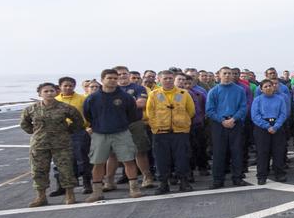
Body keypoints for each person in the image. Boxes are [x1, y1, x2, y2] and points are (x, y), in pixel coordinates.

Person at [19, 83, 86, 207]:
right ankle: (41, 196)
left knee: (66, 169)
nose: (49, 93)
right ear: (40, 94)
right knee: (38, 170)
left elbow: (78, 121)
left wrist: (67, 131)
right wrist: (36, 133)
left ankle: (70, 194)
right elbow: (24, 124)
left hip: (61, 144)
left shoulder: (65, 108)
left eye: (51, 91)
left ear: (56, 92)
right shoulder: (31, 109)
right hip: (40, 144)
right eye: (46, 91)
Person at [83, 69, 143, 201]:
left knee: (128, 160)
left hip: (121, 133)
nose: (113, 80)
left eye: (115, 78)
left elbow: (132, 115)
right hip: (100, 134)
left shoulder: (126, 97)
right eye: (110, 78)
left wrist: (120, 123)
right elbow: (87, 115)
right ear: (102, 79)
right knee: (98, 163)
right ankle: (97, 191)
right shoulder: (92, 98)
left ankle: (134, 188)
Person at [145, 70, 196, 193]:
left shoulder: (184, 94)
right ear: (159, 80)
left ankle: (184, 182)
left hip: (180, 132)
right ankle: (163, 184)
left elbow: (191, 111)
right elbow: (149, 112)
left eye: (170, 78)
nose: (168, 80)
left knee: (182, 158)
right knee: (161, 159)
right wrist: (157, 124)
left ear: (173, 79)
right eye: (165, 78)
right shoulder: (154, 94)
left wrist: (181, 122)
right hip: (160, 132)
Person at [205, 67, 249, 189]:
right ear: (219, 75)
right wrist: (222, 121)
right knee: (219, 153)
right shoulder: (213, 91)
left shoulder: (240, 90)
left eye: (229, 73)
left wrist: (233, 119)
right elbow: (209, 110)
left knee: (237, 152)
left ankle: (237, 178)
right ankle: (218, 180)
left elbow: (243, 107)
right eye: (225, 73)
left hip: (235, 123)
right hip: (219, 125)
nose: (228, 75)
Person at [53, 76, 92, 197]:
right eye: (65, 85)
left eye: (70, 85)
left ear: (74, 86)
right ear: (60, 87)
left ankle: (87, 184)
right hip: (60, 134)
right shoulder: (54, 100)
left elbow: (89, 114)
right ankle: (62, 186)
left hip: (78, 132)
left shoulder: (82, 99)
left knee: (82, 159)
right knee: (60, 160)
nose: (68, 87)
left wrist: (89, 127)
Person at [250, 77, 291, 184]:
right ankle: (262, 175)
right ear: (261, 89)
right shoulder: (257, 100)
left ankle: (279, 173)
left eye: (270, 86)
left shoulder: (280, 99)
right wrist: (267, 126)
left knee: (278, 152)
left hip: (277, 126)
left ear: (274, 87)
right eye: (265, 86)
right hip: (262, 128)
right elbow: (255, 116)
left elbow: (283, 114)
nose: (268, 88)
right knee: (263, 152)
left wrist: (276, 126)